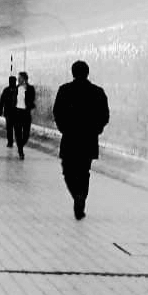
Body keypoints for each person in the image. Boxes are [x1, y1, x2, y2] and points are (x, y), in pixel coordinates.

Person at [52, 61, 109, 220]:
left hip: (70, 138)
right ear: (87, 72)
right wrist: (96, 130)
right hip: (89, 139)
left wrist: (64, 128)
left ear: (72, 72)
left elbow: (57, 112)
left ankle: (77, 196)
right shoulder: (98, 92)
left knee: (68, 170)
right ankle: (81, 198)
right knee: (84, 172)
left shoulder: (65, 90)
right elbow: (104, 115)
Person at [0, 72, 36, 159]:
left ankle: (20, 146)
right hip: (16, 113)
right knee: (18, 133)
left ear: (25, 79)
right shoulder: (15, 89)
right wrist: (5, 111)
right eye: (18, 78)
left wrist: (26, 92)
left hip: (26, 113)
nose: (18, 80)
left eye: (20, 78)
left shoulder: (30, 88)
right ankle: (20, 151)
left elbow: (31, 99)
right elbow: (9, 101)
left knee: (26, 135)